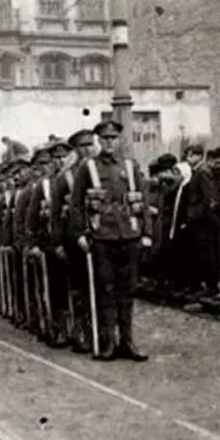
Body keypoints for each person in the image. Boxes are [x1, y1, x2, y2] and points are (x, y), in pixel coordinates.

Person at [69, 120, 152, 362]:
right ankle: (108, 343)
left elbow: (143, 201)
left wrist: (146, 232)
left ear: (119, 140)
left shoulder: (130, 166)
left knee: (128, 290)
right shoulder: (89, 168)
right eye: (104, 138)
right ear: (98, 141)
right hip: (102, 237)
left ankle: (127, 342)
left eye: (113, 138)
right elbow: (76, 205)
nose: (109, 142)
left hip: (129, 235)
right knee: (105, 290)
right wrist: (80, 234)